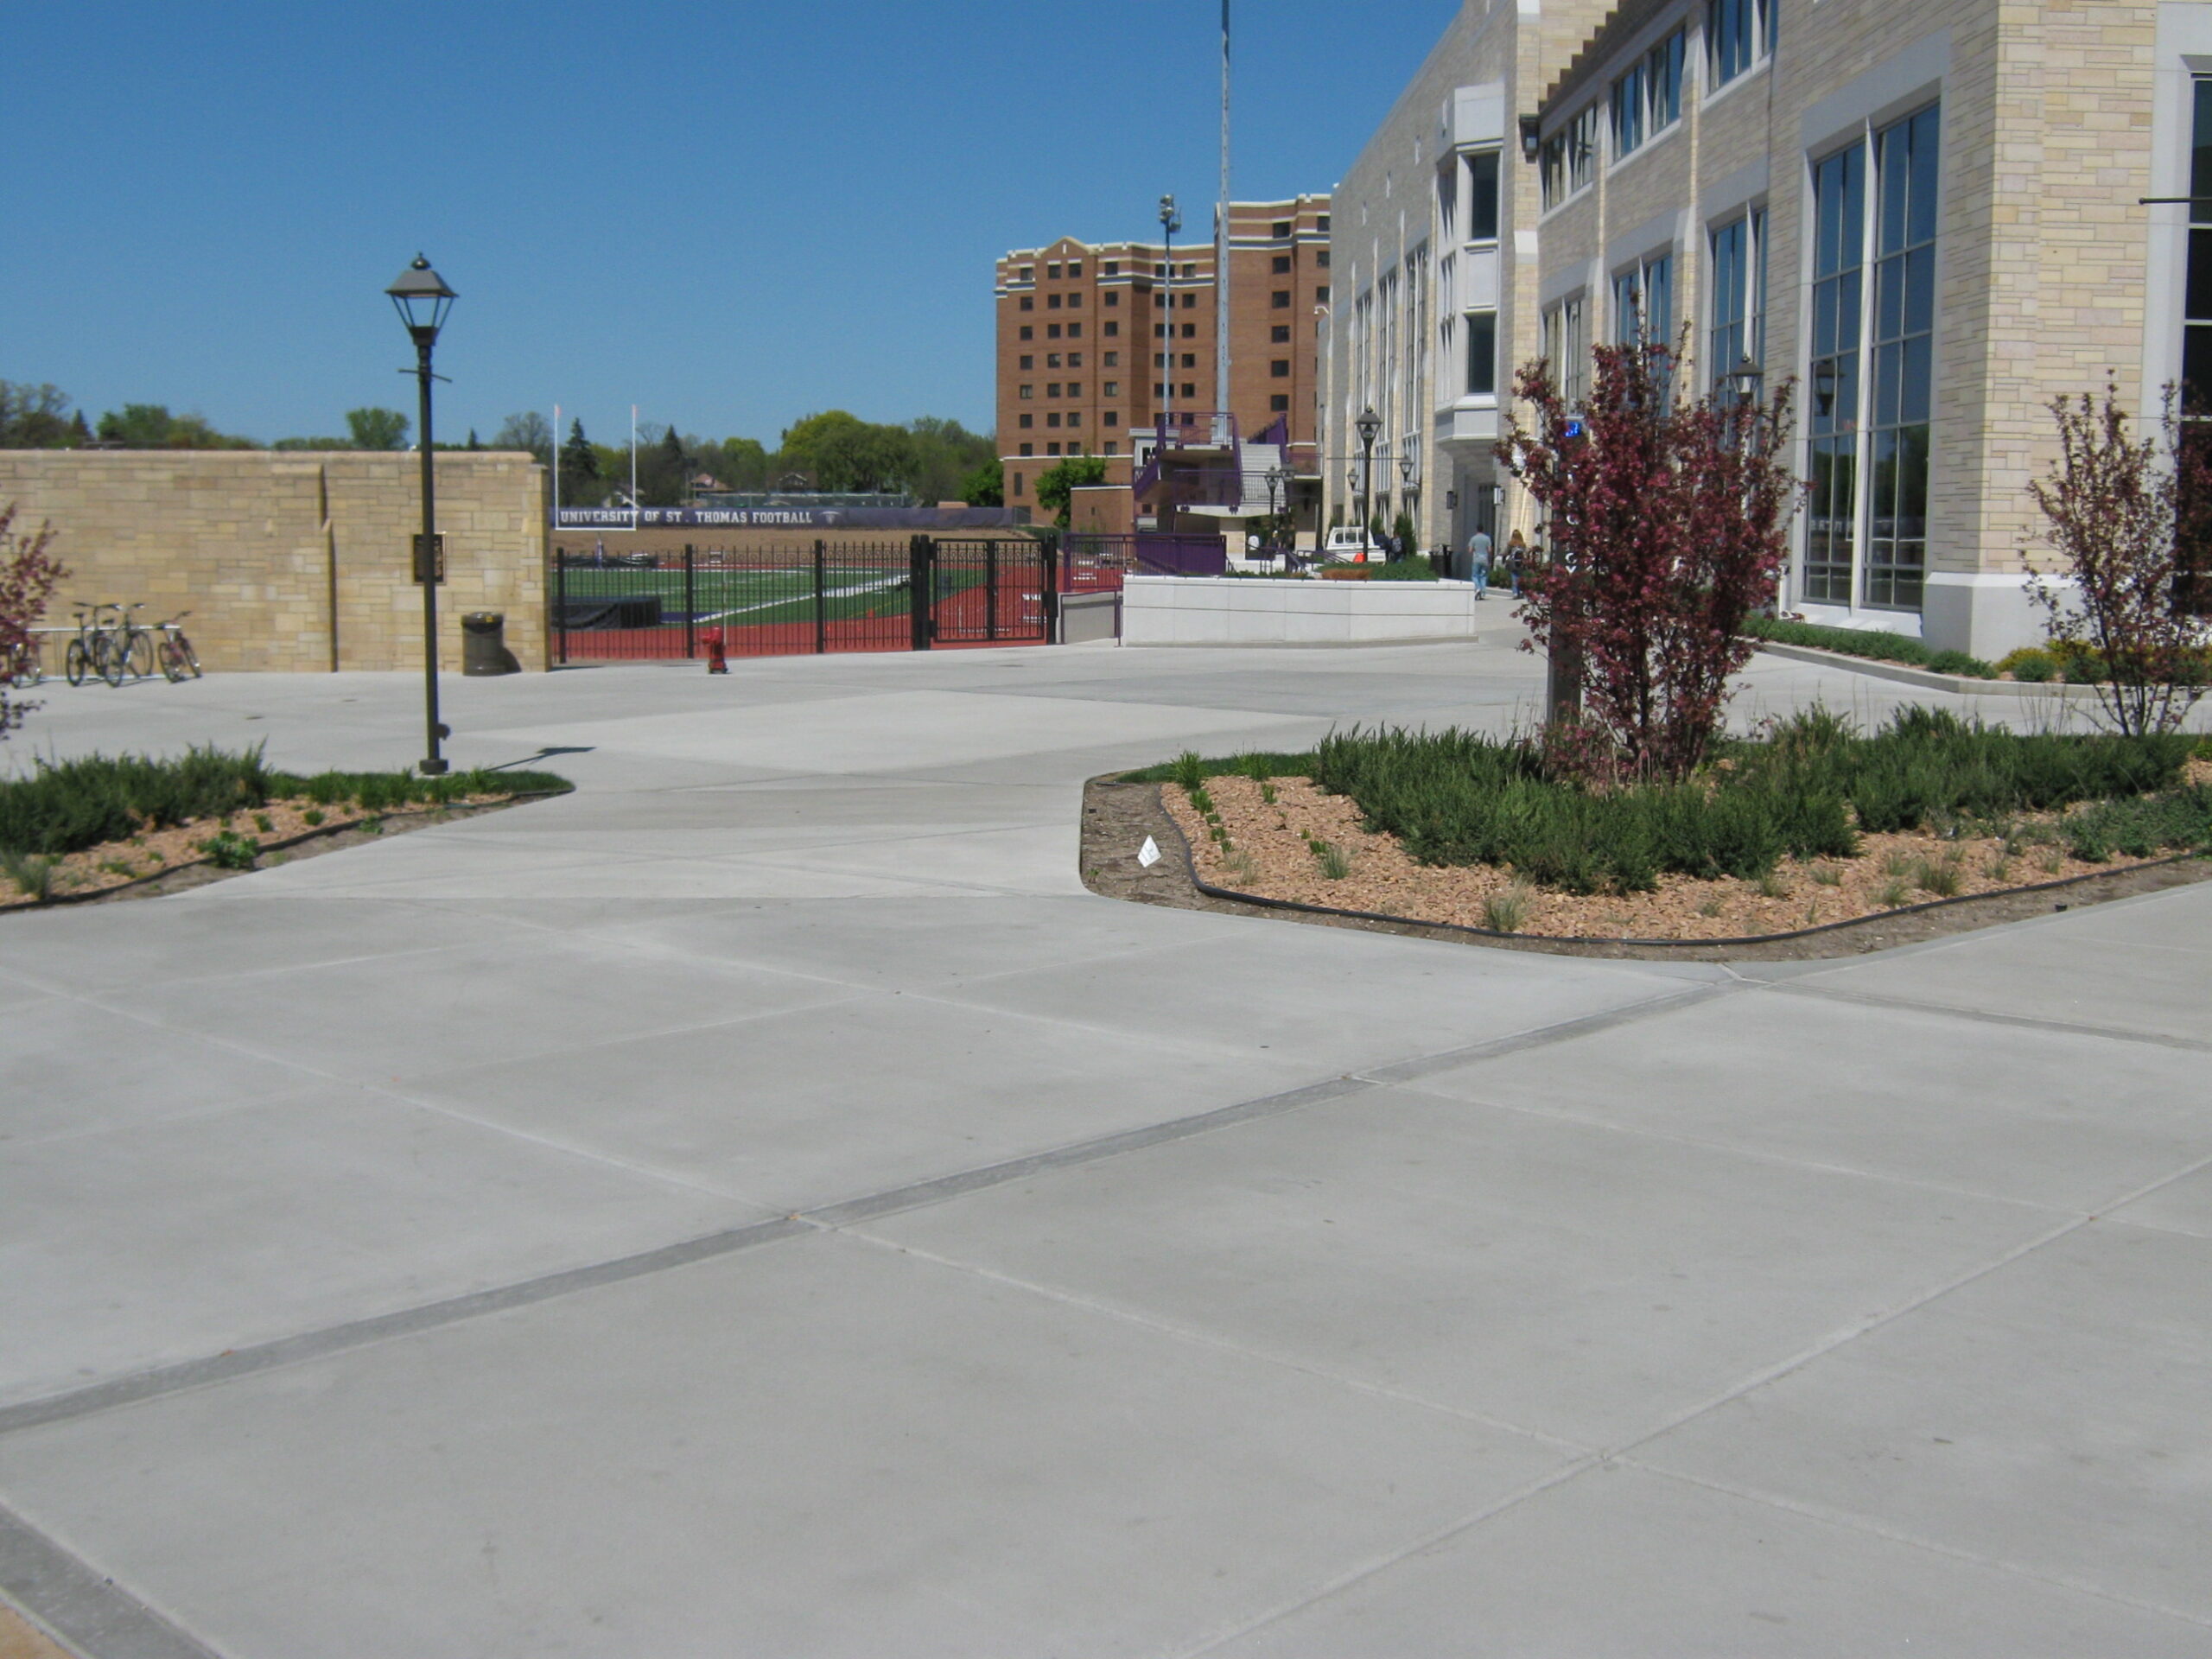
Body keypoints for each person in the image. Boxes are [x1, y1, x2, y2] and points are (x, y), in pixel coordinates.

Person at [1466, 525, 1493, 598]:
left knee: (1474, 575)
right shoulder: (1487, 538)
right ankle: (1483, 592)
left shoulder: (1473, 538)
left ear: (1477, 529)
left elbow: (1470, 550)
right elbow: (1490, 550)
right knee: (1483, 576)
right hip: (1485, 559)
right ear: (1483, 529)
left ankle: (1478, 588)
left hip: (1476, 559)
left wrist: (1475, 550)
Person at [1505, 529, 1527, 597]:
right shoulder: (1523, 544)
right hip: (1520, 563)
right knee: (1519, 578)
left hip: (1513, 563)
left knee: (1514, 576)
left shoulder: (1511, 544)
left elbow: (1506, 552)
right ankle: (1520, 591)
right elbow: (1525, 553)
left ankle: (1515, 592)